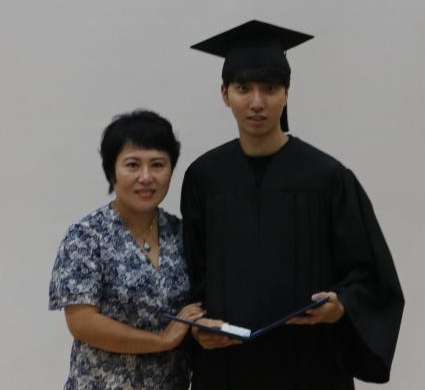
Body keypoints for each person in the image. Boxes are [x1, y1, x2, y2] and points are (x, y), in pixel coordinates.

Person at [181, 20, 404, 389]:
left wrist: (341, 305)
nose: (256, 102)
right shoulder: (204, 178)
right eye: (243, 89)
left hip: (310, 364)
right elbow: (192, 272)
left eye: (270, 88)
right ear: (225, 94)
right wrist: (196, 325)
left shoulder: (327, 178)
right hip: (226, 365)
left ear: (286, 93)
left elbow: (367, 274)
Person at [49, 109, 204, 390]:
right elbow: (82, 322)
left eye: (157, 165)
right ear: (112, 172)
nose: (146, 177)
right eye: (132, 165)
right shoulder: (86, 236)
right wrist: (162, 340)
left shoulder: (182, 233)